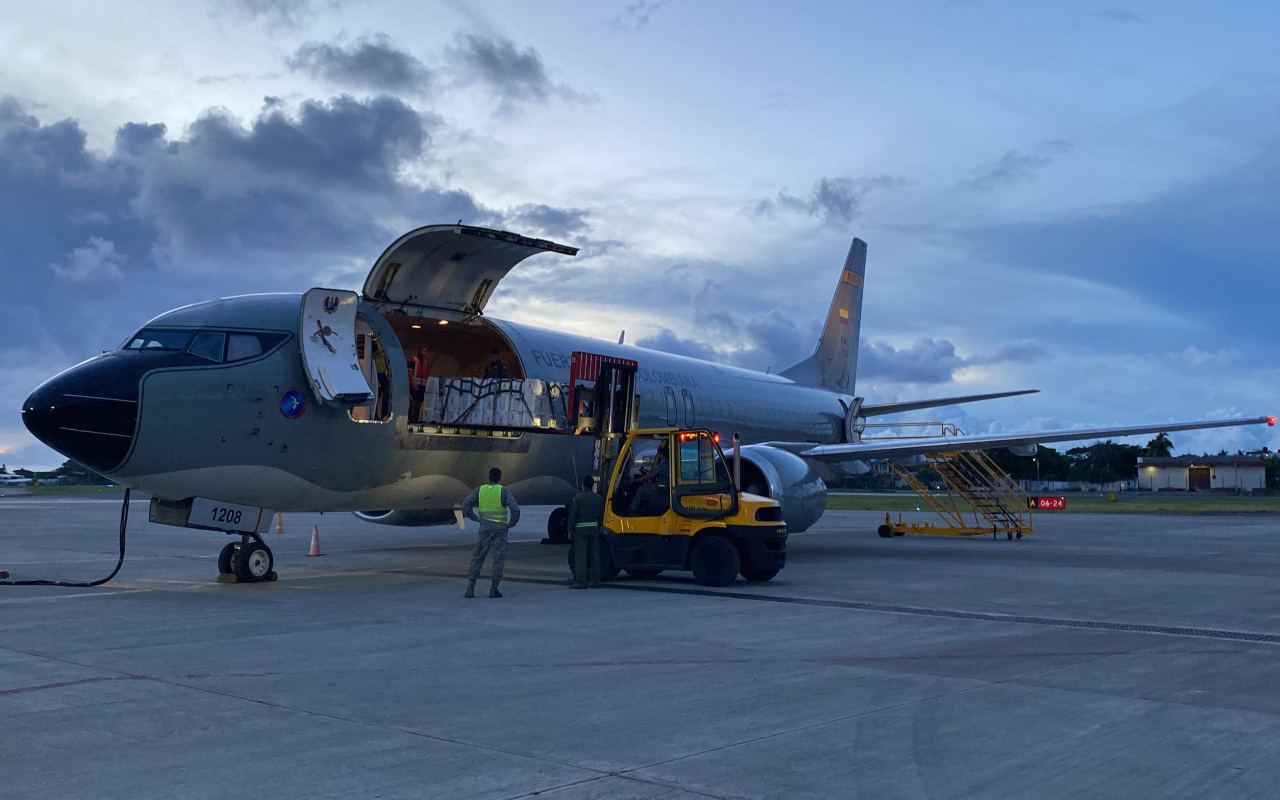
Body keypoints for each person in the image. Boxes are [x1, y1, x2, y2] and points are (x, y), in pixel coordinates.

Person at [461, 467, 521, 598]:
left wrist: (475, 517)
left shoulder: (480, 490)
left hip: (485, 528)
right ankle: (494, 589)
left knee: (478, 556)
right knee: (498, 558)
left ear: (488, 477)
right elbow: (515, 510)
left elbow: (465, 505)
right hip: (500, 529)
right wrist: (510, 524)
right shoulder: (503, 491)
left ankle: (470, 588)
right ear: (499, 478)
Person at [567, 475, 605, 589]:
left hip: (580, 530)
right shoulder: (598, 498)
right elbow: (601, 515)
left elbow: (573, 515)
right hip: (594, 529)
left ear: (583, 484)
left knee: (580, 557)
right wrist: (598, 527)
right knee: (595, 556)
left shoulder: (578, 498)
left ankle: (581, 582)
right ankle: (596, 581)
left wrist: (570, 530)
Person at [408, 346, 430, 422]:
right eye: (423, 351)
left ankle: (416, 418)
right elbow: (410, 373)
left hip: (422, 386)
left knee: (419, 403)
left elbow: (426, 374)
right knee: (413, 403)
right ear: (419, 351)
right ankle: (411, 418)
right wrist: (413, 383)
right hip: (415, 385)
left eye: (425, 351)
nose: (424, 353)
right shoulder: (413, 360)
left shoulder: (425, 363)